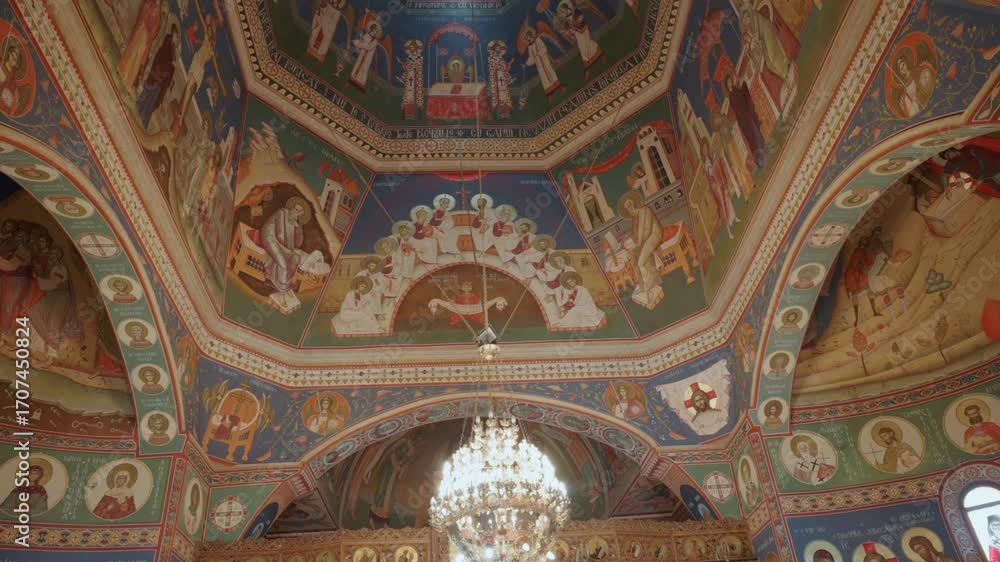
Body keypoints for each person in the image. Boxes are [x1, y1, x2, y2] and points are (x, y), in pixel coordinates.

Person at [261, 198, 308, 305]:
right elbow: (279, 235)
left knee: (296, 258)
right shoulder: (282, 213)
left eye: (299, 213)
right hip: (270, 237)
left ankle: (280, 283)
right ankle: (282, 293)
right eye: (296, 209)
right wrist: (287, 251)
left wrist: (299, 227)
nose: (296, 213)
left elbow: (298, 243)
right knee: (283, 264)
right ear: (291, 207)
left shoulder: (294, 224)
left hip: (282, 246)